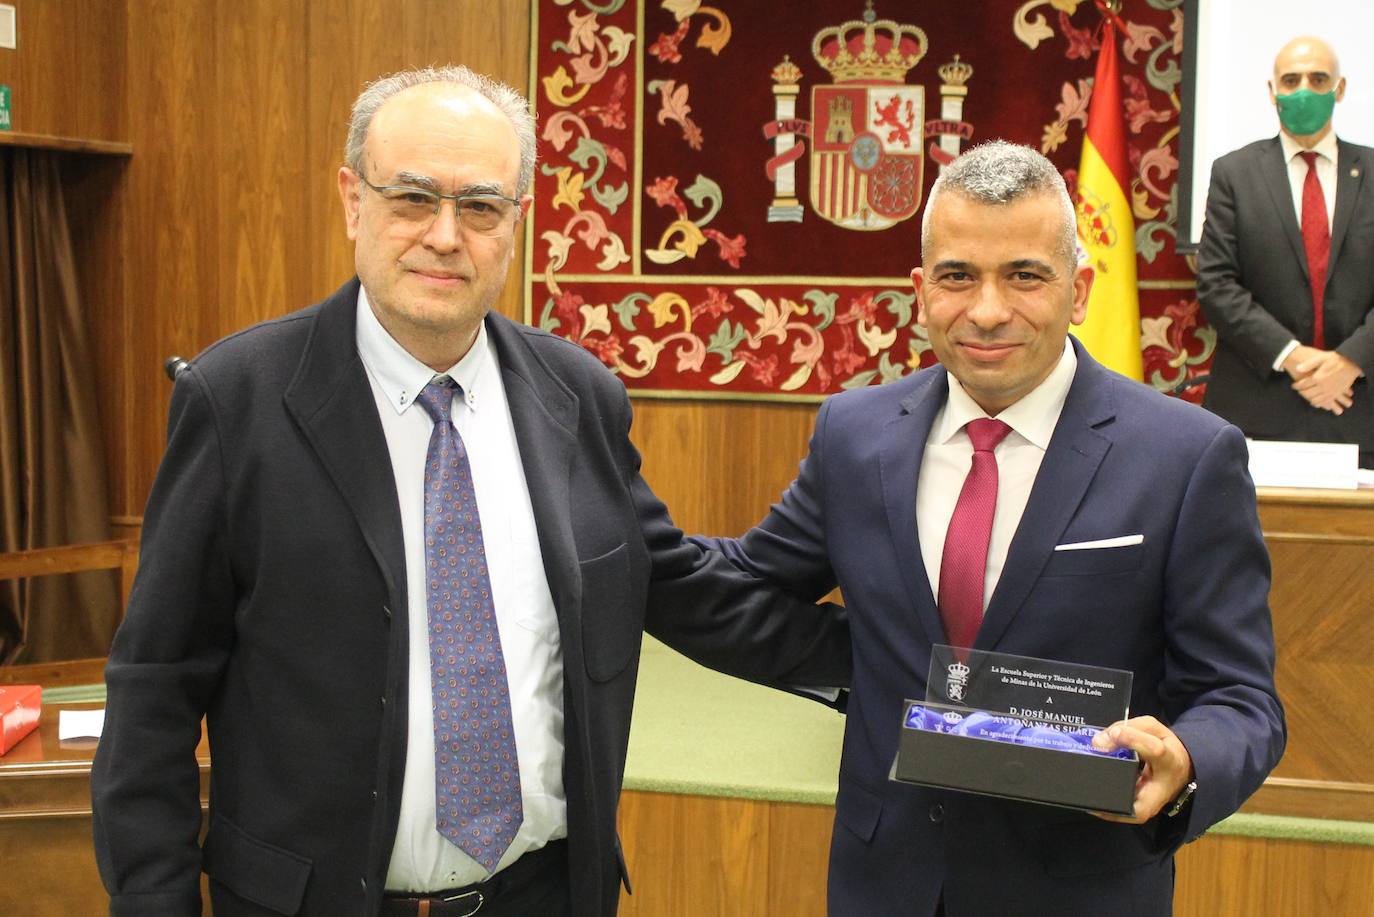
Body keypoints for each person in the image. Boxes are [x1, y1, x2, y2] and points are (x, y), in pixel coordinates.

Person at [89, 66, 849, 917]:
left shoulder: (577, 397)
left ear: (515, 223)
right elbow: (155, 685)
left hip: (544, 895)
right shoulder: (238, 402)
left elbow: (674, 584)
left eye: (480, 207)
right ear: (352, 200)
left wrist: (891, 655)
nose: (445, 236)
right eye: (413, 198)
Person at [696, 141, 1285, 916]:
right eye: (957, 276)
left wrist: (1186, 758)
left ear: (1080, 289)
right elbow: (746, 583)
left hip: (1077, 885)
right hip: (887, 883)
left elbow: (1240, 697)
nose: (987, 310)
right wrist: (598, 528)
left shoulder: (1186, 457)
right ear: (920, 289)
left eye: (1025, 275)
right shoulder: (855, 435)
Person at [1197, 35, 1374, 467]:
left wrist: (1351, 360)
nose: (1303, 91)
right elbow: (1216, 285)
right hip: (1256, 407)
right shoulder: (1233, 173)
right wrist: (1291, 357)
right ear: (1272, 91)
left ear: (1341, 88)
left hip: (1361, 406)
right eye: (1291, 80)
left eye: (1318, 79)